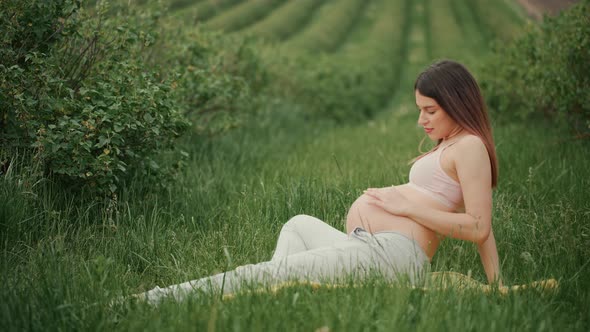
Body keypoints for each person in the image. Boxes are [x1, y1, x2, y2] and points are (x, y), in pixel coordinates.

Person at [127, 60, 501, 305]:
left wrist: (406, 207)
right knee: (298, 226)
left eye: (430, 110)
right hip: (373, 248)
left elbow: (480, 227)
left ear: (456, 101)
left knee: (251, 274)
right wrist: (497, 285)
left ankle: (153, 300)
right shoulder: (451, 144)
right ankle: (276, 298)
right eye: (419, 109)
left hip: (393, 256)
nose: (421, 120)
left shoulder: (469, 146)